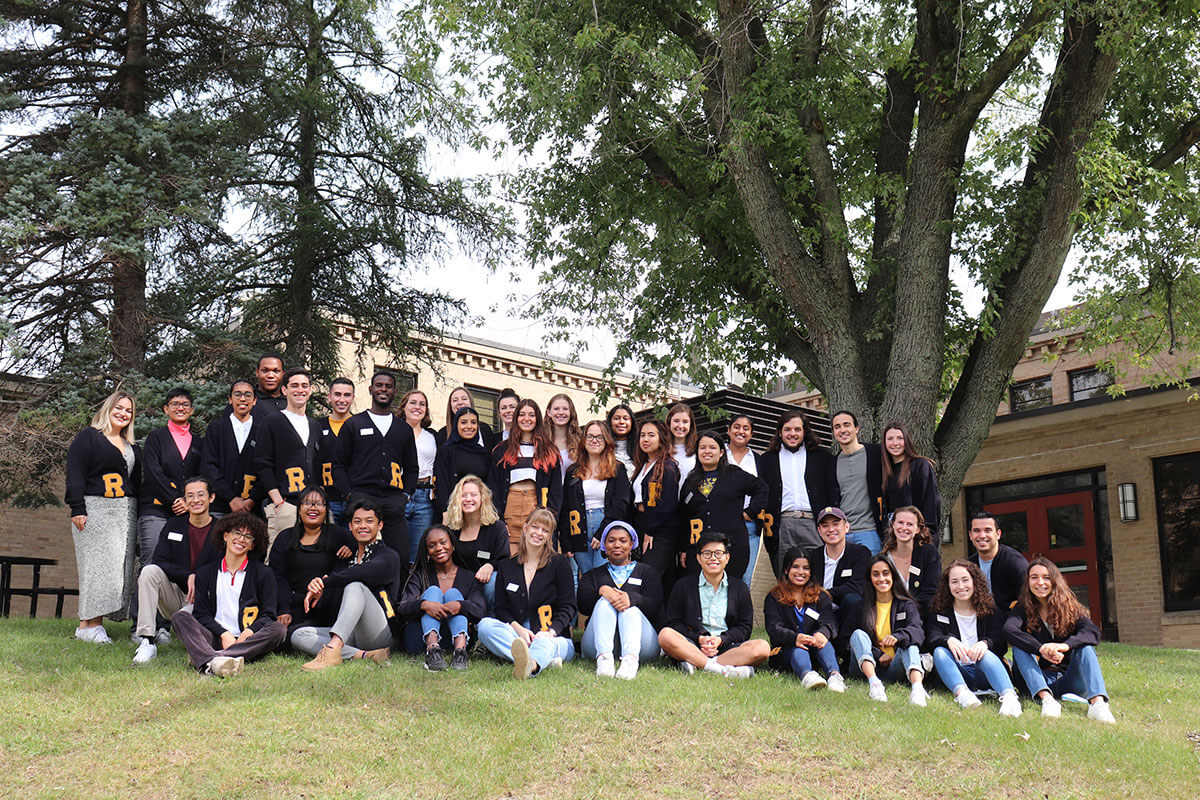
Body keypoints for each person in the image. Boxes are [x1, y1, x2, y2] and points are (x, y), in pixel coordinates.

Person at [170, 512, 286, 677]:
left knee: (278, 629)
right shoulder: (205, 572)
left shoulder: (264, 573)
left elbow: (268, 613)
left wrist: (249, 632)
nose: (241, 539)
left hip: (248, 639)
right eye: (237, 533)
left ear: (253, 545)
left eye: (248, 537)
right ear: (225, 536)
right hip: (215, 636)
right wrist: (223, 634)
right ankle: (218, 658)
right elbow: (201, 614)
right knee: (179, 617)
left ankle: (211, 658)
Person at [65, 390, 141, 643]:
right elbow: (75, 472)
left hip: (125, 513)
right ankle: (90, 626)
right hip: (96, 508)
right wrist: (77, 507)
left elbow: (136, 484)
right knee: (97, 568)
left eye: (128, 410)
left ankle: (88, 626)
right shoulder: (89, 437)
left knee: (116, 571)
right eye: (118, 408)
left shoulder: (131, 446)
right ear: (108, 409)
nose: (123, 413)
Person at [1004, 557, 1115, 723]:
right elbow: (1009, 630)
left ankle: (1097, 704)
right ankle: (1047, 700)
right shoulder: (1022, 609)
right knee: (1019, 648)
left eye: (1046, 577)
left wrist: (1064, 646)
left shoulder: (1069, 607)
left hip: (1067, 681)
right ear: (1028, 582)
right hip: (1034, 680)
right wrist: (1040, 648)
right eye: (1034, 577)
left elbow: (1092, 632)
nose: (1040, 582)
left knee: (1085, 647)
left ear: (1055, 580)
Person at [293, 500, 402, 669]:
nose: (363, 526)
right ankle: (365, 656)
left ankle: (332, 649)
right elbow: (330, 606)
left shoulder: (388, 556)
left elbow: (362, 572)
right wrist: (321, 593)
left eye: (369, 521)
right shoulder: (345, 563)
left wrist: (326, 582)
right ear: (350, 526)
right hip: (350, 634)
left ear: (380, 525)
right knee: (299, 635)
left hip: (380, 633)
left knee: (355, 586)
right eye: (357, 522)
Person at [478, 508, 576, 679]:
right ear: (525, 528)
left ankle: (531, 665)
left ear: (550, 536)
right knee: (485, 626)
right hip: (518, 636)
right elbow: (501, 609)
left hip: (552, 636)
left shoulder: (560, 564)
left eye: (545, 530)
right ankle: (540, 659)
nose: (539, 533)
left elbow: (568, 606)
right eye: (535, 527)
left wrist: (551, 631)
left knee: (546, 643)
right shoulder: (507, 567)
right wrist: (518, 628)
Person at [132, 476, 222, 664]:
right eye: (190, 496)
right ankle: (147, 640)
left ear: (211, 498)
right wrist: (187, 575)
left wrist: (199, 578)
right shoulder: (174, 525)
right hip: (175, 595)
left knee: (189, 621)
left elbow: (225, 568)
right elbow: (159, 560)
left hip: (204, 600)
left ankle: (196, 635)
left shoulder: (221, 531)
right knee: (149, 571)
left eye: (200, 495)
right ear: (184, 500)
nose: (195, 500)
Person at [658, 532, 770, 678]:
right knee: (665, 635)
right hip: (693, 644)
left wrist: (721, 640)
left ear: (727, 557)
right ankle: (720, 669)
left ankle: (696, 663)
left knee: (762, 647)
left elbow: (744, 628)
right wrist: (699, 638)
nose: (713, 558)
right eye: (707, 553)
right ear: (698, 558)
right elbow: (674, 623)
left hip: (727, 647)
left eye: (718, 553)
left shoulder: (740, 588)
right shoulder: (683, 586)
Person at [331, 371, 418, 558]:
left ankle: (394, 589)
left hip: (394, 501)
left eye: (388, 386)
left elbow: (412, 468)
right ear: (371, 389)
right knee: (356, 555)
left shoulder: (403, 429)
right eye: (379, 385)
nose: (383, 389)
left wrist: (406, 495)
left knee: (400, 556)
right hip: (361, 499)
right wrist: (349, 494)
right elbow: (338, 465)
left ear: (395, 391)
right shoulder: (354, 424)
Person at [927, 560, 1022, 717]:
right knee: (939, 652)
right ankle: (963, 695)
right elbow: (932, 637)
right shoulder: (938, 611)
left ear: (974, 582)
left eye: (965, 580)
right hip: (957, 672)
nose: (961, 586)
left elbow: (1000, 641)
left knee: (985, 654)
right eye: (954, 582)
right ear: (947, 585)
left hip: (985, 672)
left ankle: (1010, 698)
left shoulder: (991, 609)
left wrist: (986, 643)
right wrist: (948, 640)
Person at [577, 522, 662, 679]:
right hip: (595, 645)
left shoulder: (647, 572)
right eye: (611, 540)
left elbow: (655, 605)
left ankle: (630, 661)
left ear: (632, 544)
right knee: (604, 601)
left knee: (628, 606)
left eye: (623, 541)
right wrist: (601, 591)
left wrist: (632, 599)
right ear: (603, 545)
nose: (617, 545)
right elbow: (583, 606)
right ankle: (604, 660)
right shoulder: (592, 575)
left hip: (642, 646)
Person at [679, 432, 767, 582]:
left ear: (721, 452)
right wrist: (683, 548)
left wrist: (750, 511)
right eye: (702, 448)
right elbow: (683, 517)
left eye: (712, 447)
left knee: (730, 591)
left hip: (732, 548)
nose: (707, 451)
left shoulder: (734, 474)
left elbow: (761, 488)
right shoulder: (690, 481)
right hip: (699, 551)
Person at [267, 486, 354, 637]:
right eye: (307, 503)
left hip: (324, 605)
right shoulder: (285, 538)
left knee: (295, 635)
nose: (313, 508)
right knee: (282, 634)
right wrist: (284, 610)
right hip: (292, 604)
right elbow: (277, 577)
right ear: (299, 509)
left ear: (326, 509)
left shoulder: (338, 535)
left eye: (319, 504)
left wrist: (351, 548)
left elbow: (363, 547)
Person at [396, 525, 486, 670]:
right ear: (427, 551)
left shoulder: (468, 576)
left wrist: (460, 605)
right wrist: (424, 605)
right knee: (433, 592)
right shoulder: (421, 575)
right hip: (419, 640)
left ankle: (460, 653)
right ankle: (432, 650)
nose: (438, 548)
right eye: (432, 546)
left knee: (453, 595)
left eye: (443, 543)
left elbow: (480, 611)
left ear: (452, 545)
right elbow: (403, 607)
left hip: (453, 638)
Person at [759, 409, 838, 566]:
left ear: (805, 432)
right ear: (780, 433)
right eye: (787, 429)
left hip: (814, 523)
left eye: (797, 429)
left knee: (818, 572)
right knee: (786, 573)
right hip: (782, 525)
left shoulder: (822, 457)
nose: (792, 434)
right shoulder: (767, 460)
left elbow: (832, 491)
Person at [847, 556, 930, 705]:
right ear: (870, 578)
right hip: (865, 668)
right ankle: (875, 685)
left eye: (886, 573)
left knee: (909, 643)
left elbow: (918, 632)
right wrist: (878, 655)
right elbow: (844, 642)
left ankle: (917, 689)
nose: (881, 579)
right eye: (876, 574)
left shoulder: (906, 604)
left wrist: (898, 637)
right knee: (858, 634)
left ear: (893, 576)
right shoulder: (859, 607)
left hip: (895, 667)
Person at [138, 387, 202, 577]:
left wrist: (188, 502)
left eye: (185, 404)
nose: (180, 408)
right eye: (175, 404)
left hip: (184, 514)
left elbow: (201, 477)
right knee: (150, 565)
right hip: (156, 510)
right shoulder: (156, 438)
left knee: (179, 566)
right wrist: (176, 499)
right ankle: (142, 608)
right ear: (166, 409)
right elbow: (152, 472)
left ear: (191, 410)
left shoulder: (200, 443)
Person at [254, 368, 322, 548]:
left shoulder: (315, 426)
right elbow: (263, 464)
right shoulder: (272, 422)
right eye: (294, 386)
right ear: (284, 390)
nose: (300, 390)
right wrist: (278, 501)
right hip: (285, 504)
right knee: (277, 559)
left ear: (310, 389)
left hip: (313, 507)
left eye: (304, 385)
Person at [763, 547, 846, 692]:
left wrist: (822, 633)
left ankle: (835, 676)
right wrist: (795, 638)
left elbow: (829, 621)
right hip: (786, 650)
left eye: (806, 568)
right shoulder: (774, 597)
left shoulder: (821, 596)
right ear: (787, 570)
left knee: (824, 643)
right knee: (799, 648)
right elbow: (773, 628)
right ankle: (808, 676)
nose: (801, 572)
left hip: (815, 648)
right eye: (795, 567)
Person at [560, 420, 632, 577]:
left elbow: (621, 504)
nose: (594, 440)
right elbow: (565, 507)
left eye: (599, 437)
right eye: (590, 436)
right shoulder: (573, 471)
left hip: (606, 525)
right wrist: (565, 542)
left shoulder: (617, 469)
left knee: (605, 576)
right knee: (585, 577)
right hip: (578, 528)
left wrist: (603, 533)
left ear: (606, 441)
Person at [490, 398, 561, 551]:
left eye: (531, 415)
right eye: (522, 414)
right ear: (516, 418)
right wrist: (499, 519)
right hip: (510, 505)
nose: (526, 419)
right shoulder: (502, 449)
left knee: (535, 556)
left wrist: (550, 516)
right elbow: (493, 487)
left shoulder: (549, 450)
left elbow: (555, 490)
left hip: (535, 505)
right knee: (510, 557)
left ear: (538, 419)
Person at [805, 507, 871, 654]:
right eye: (825, 525)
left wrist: (826, 593)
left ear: (846, 527)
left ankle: (846, 651)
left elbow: (858, 587)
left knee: (852, 599)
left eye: (836, 524)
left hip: (846, 611)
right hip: (819, 610)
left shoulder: (860, 553)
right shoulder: (812, 556)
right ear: (819, 530)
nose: (831, 529)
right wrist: (822, 597)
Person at [444, 476, 510, 612]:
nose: (468, 499)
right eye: (463, 495)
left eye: (473, 495)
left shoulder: (497, 528)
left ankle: (489, 619)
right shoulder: (451, 530)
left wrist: (490, 565)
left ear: (482, 498)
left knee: (494, 580)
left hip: (486, 584)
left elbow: (505, 560)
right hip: (461, 585)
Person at [630, 418, 681, 587]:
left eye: (651, 435)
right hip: (641, 524)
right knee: (662, 581)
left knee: (644, 577)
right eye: (642, 435)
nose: (645, 439)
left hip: (660, 530)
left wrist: (650, 531)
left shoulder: (667, 466)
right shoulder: (643, 465)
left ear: (661, 439)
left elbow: (668, 504)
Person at [201, 380, 260, 518]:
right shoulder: (216, 428)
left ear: (255, 400)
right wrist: (230, 498)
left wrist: (252, 500)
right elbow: (208, 466)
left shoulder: (262, 431)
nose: (243, 399)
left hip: (251, 508)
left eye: (248, 395)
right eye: (237, 394)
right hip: (218, 507)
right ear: (230, 399)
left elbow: (266, 467)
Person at [830, 410, 884, 553]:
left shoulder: (876, 454)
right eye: (837, 427)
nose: (842, 430)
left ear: (857, 429)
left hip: (870, 532)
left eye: (847, 425)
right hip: (842, 535)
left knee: (871, 574)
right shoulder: (832, 463)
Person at [433, 406, 493, 519]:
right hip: (453, 513)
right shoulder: (447, 451)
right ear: (456, 425)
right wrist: (445, 512)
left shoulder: (484, 453)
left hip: (478, 514)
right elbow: (441, 483)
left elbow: (488, 485)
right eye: (464, 422)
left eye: (473, 422)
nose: (469, 427)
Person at [881, 505, 942, 617]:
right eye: (900, 523)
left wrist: (910, 611)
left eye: (910, 524)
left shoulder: (929, 553)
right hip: (891, 615)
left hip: (922, 615)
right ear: (893, 525)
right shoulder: (884, 558)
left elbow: (931, 591)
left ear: (918, 529)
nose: (904, 528)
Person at [881, 421, 941, 533]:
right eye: (890, 439)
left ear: (906, 441)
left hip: (915, 530)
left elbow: (931, 501)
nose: (895, 443)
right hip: (891, 532)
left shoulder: (920, 465)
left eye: (900, 438)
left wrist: (927, 532)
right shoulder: (884, 470)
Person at [725, 414, 763, 584]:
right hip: (721, 524)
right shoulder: (718, 454)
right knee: (720, 575)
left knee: (746, 578)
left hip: (749, 526)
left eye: (746, 428)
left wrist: (750, 512)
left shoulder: (758, 460)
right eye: (737, 427)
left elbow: (763, 490)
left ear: (751, 434)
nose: (741, 431)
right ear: (728, 430)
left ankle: (740, 611)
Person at [401, 389, 438, 564]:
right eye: (413, 403)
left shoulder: (432, 436)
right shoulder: (394, 432)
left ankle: (413, 591)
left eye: (422, 404)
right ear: (404, 407)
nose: (417, 407)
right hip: (399, 494)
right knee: (395, 550)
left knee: (418, 555)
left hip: (424, 497)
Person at [967, 511, 1028, 616]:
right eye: (976, 531)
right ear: (970, 535)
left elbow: (1029, 600)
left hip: (1011, 624)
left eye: (988, 530)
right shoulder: (968, 566)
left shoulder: (1015, 563)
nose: (982, 536)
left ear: (998, 534)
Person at [317, 377, 355, 523]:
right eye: (337, 394)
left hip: (354, 499)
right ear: (329, 397)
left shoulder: (360, 425)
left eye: (347, 395)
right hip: (327, 499)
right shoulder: (317, 426)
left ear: (353, 398)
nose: (342, 399)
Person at [543, 392, 582, 479]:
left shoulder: (580, 442)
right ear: (549, 412)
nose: (561, 412)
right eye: (556, 409)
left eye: (565, 409)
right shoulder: (541, 441)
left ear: (571, 412)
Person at [666, 402, 699, 484]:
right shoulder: (660, 449)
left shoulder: (698, 451)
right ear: (669, 422)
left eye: (685, 422)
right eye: (676, 421)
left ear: (690, 425)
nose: (680, 426)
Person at [247, 352, 287, 418]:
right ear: (257, 373)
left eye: (276, 371)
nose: (270, 375)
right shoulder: (245, 401)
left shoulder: (290, 402)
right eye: (265, 371)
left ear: (283, 374)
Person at [606, 404, 637, 479]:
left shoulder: (639, 448)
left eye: (626, 419)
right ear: (610, 422)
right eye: (617, 418)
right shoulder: (604, 447)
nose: (621, 422)